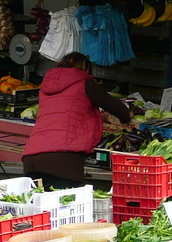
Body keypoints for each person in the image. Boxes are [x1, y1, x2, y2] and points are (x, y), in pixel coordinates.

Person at [23, 52, 131, 187]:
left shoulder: (45, 88)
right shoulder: (85, 84)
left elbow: (65, 113)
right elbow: (122, 113)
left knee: (40, 205)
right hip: (63, 161)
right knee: (66, 205)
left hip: (31, 159)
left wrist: (96, 116)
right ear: (85, 69)